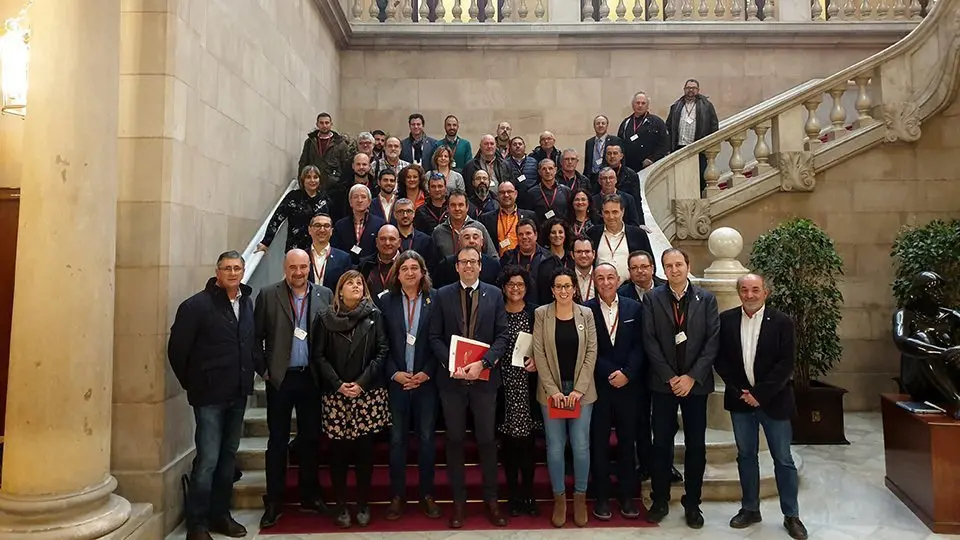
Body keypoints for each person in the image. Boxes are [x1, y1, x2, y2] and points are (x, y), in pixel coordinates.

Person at [168, 251, 261, 540]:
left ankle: (221, 515)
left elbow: (248, 342)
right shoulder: (196, 306)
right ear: (217, 272)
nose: (233, 273)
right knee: (208, 459)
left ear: (243, 271)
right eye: (227, 269)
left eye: (237, 268)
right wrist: (194, 384)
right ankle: (197, 524)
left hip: (238, 393)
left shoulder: (246, 302)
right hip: (209, 396)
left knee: (227, 458)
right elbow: (177, 351)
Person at [716, 274, 807, 540]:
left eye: (755, 289)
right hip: (740, 401)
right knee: (746, 456)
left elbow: (786, 364)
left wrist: (760, 394)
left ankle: (791, 515)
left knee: (783, 459)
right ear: (739, 293)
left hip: (774, 402)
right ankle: (750, 509)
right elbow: (720, 360)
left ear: (765, 292)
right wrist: (740, 391)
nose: (750, 294)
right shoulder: (727, 320)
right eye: (744, 290)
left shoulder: (782, 322)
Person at [429, 246, 511, 529]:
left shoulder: (495, 294)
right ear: (456, 266)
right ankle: (459, 503)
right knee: (454, 441)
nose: (468, 266)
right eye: (463, 262)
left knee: (487, 440)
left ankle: (491, 500)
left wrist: (484, 363)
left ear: (480, 265)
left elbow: (502, 335)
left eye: (473, 262)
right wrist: (451, 364)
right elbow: (435, 337)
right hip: (451, 382)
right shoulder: (441, 295)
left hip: (484, 381)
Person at [255, 250, 334, 528]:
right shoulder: (268, 294)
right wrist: (264, 371)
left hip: (311, 378)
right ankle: (274, 499)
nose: (299, 272)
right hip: (281, 379)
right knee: (277, 441)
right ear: (284, 268)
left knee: (311, 439)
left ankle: (309, 494)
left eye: (303, 266)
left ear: (309, 267)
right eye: (293, 267)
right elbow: (256, 338)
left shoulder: (325, 294)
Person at [642, 247, 719, 529]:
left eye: (678, 264)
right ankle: (660, 499)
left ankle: (693, 503)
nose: (673, 270)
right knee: (660, 444)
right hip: (663, 385)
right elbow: (649, 340)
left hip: (695, 386)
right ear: (663, 269)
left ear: (688, 265)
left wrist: (690, 377)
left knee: (695, 446)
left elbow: (712, 342)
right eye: (668, 266)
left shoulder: (707, 299)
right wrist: (670, 376)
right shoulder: (652, 298)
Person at [312, 270, 390, 528]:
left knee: (365, 454)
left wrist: (360, 383)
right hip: (336, 397)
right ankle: (342, 505)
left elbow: (382, 351)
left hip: (366, 395)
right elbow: (319, 355)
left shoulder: (375, 315)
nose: (356, 286)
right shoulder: (324, 318)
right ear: (340, 290)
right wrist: (338, 385)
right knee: (339, 455)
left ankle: (363, 504)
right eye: (350, 283)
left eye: (359, 283)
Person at [533, 267, 598, 528]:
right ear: (552, 290)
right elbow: (539, 354)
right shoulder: (541, 314)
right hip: (552, 392)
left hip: (582, 392)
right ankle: (559, 498)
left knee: (581, 446)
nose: (563, 291)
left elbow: (591, 351)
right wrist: (555, 392)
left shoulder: (587, 314)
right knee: (555, 446)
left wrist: (578, 391)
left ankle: (580, 497)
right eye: (558, 286)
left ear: (574, 288)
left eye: (567, 286)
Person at [381, 251, 443, 521]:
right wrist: (395, 374)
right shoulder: (386, 302)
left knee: (427, 439)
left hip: (426, 382)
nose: (409, 273)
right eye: (404, 268)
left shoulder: (436, 299)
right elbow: (380, 344)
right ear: (397, 272)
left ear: (422, 271)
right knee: (397, 440)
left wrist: (426, 372)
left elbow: (439, 339)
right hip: (397, 383)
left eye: (414, 268)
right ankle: (397, 495)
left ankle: (426, 493)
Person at [585, 263, 644, 520]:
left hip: (628, 387)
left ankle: (627, 496)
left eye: (610, 277)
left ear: (619, 279)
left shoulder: (634, 308)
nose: (606, 282)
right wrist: (610, 373)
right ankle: (601, 497)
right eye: (601, 278)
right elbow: (588, 349)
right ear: (594, 281)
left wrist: (627, 373)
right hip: (599, 387)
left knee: (626, 442)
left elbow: (641, 345)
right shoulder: (585, 310)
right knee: (598, 442)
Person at [497, 266, 541, 517]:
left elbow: (545, 345)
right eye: (511, 284)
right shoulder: (496, 312)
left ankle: (529, 495)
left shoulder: (536, 313)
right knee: (509, 447)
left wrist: (538, 361)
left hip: (528, 386)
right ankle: (513, 496)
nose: (515, 289)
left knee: (528, 446)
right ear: (503, 287)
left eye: (520, 285)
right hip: (504, 388)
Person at [256, 165, 331, 254]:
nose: (312, 180)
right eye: (308, 177)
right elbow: (276, 219)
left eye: (315, 177)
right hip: (295, 248)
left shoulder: (325, 199)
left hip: (318, 249)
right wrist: (266, 242)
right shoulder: (293, 197)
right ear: (302, 180)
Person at [331, 184, 386, 264]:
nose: (359, 200)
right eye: (355, 197)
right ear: (350, 202)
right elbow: (336, 250)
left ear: (369, 202)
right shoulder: (340, 225)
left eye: (363, 197)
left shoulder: (380, 224)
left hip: (371, 268)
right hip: (346, 269)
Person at [306, 213, 354, 290]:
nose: (322, 230)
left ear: (331, 231)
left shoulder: (343, 258)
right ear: (309, 230)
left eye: (326, 226)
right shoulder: (301, 256)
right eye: (317, 225)